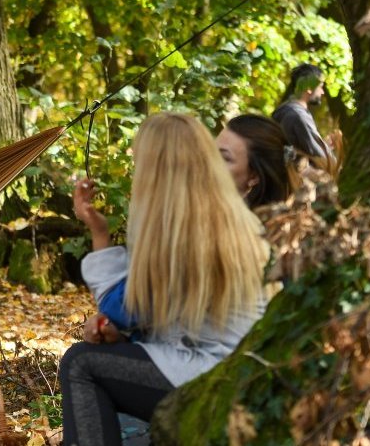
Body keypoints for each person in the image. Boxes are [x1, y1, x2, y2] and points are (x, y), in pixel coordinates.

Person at [60, 113, 268, 446]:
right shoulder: (222, 217)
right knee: (97, 360)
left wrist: (99, 235)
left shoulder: (189, 231)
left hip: (218, 379)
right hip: (228, 371)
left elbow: (120, 309)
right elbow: (149, 316)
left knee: (80, 363)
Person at [97, 113, 295, 331]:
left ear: (254, 177)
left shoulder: (228, 230)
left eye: (225, 158)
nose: (210, 164)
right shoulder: (206, 216)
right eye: (210, 153)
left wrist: (99, 236)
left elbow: (131, 307)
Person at [272, 63, 336, 169]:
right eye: (320, 87)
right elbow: (322, 157)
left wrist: (323, 145)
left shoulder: (287, 109)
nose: (322, 92)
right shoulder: (298, 116)